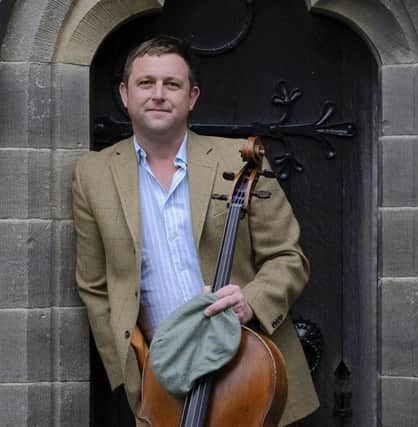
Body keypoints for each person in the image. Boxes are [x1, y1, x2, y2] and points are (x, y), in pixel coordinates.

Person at [73, 36, 318, 425]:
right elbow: (94, 284)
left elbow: (289, 258)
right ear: (124, 94)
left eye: (172, 85)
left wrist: (250, 300)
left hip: (246, 367)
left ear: (192, 97)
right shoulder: (93, 173)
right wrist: (135, 366)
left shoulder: (239, 159)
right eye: (145, 83)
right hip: (163, 377)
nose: (158, 94)